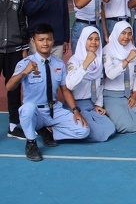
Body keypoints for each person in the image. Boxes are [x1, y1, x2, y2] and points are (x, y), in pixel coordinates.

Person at [6, 24, 90, 161]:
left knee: (84, 130)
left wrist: (75, 110)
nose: (45, 43)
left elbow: (65, 89)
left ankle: (48, 131)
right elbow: (9, 87)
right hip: (35, 113)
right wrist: (24, 72)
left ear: (53, 40)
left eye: (48, 39)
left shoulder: (59, 64)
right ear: (33, 41)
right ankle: (31, 143)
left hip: (53, 110)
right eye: (41, 40)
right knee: (27, 108)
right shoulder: (25, 63)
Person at [65, 26, 116, 142]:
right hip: (76, 105)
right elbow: (70, 85)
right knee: (98, 133)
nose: (94, 42)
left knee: (110, 129)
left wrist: (98, 104)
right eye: (90, 39)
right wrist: (85, 65)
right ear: (83, 40)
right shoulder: (75, 60)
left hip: (91, 104)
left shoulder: (98, 60)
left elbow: (100, 85)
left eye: (97, 39)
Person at [102, 21, 136, 134]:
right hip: (112, 95)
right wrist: (127, 60)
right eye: (123, 33)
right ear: (116, 33)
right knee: (124, 126)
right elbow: (110, 75)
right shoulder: (108, 50)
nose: (126, 37)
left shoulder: (134, 51)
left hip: (129, 94)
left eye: (129, 34)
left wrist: (135, 94)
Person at [1, 0, 29, 140]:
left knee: (13, 87)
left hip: (14, 48)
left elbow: (21, 20)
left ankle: (13, 124)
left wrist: (25, 46)